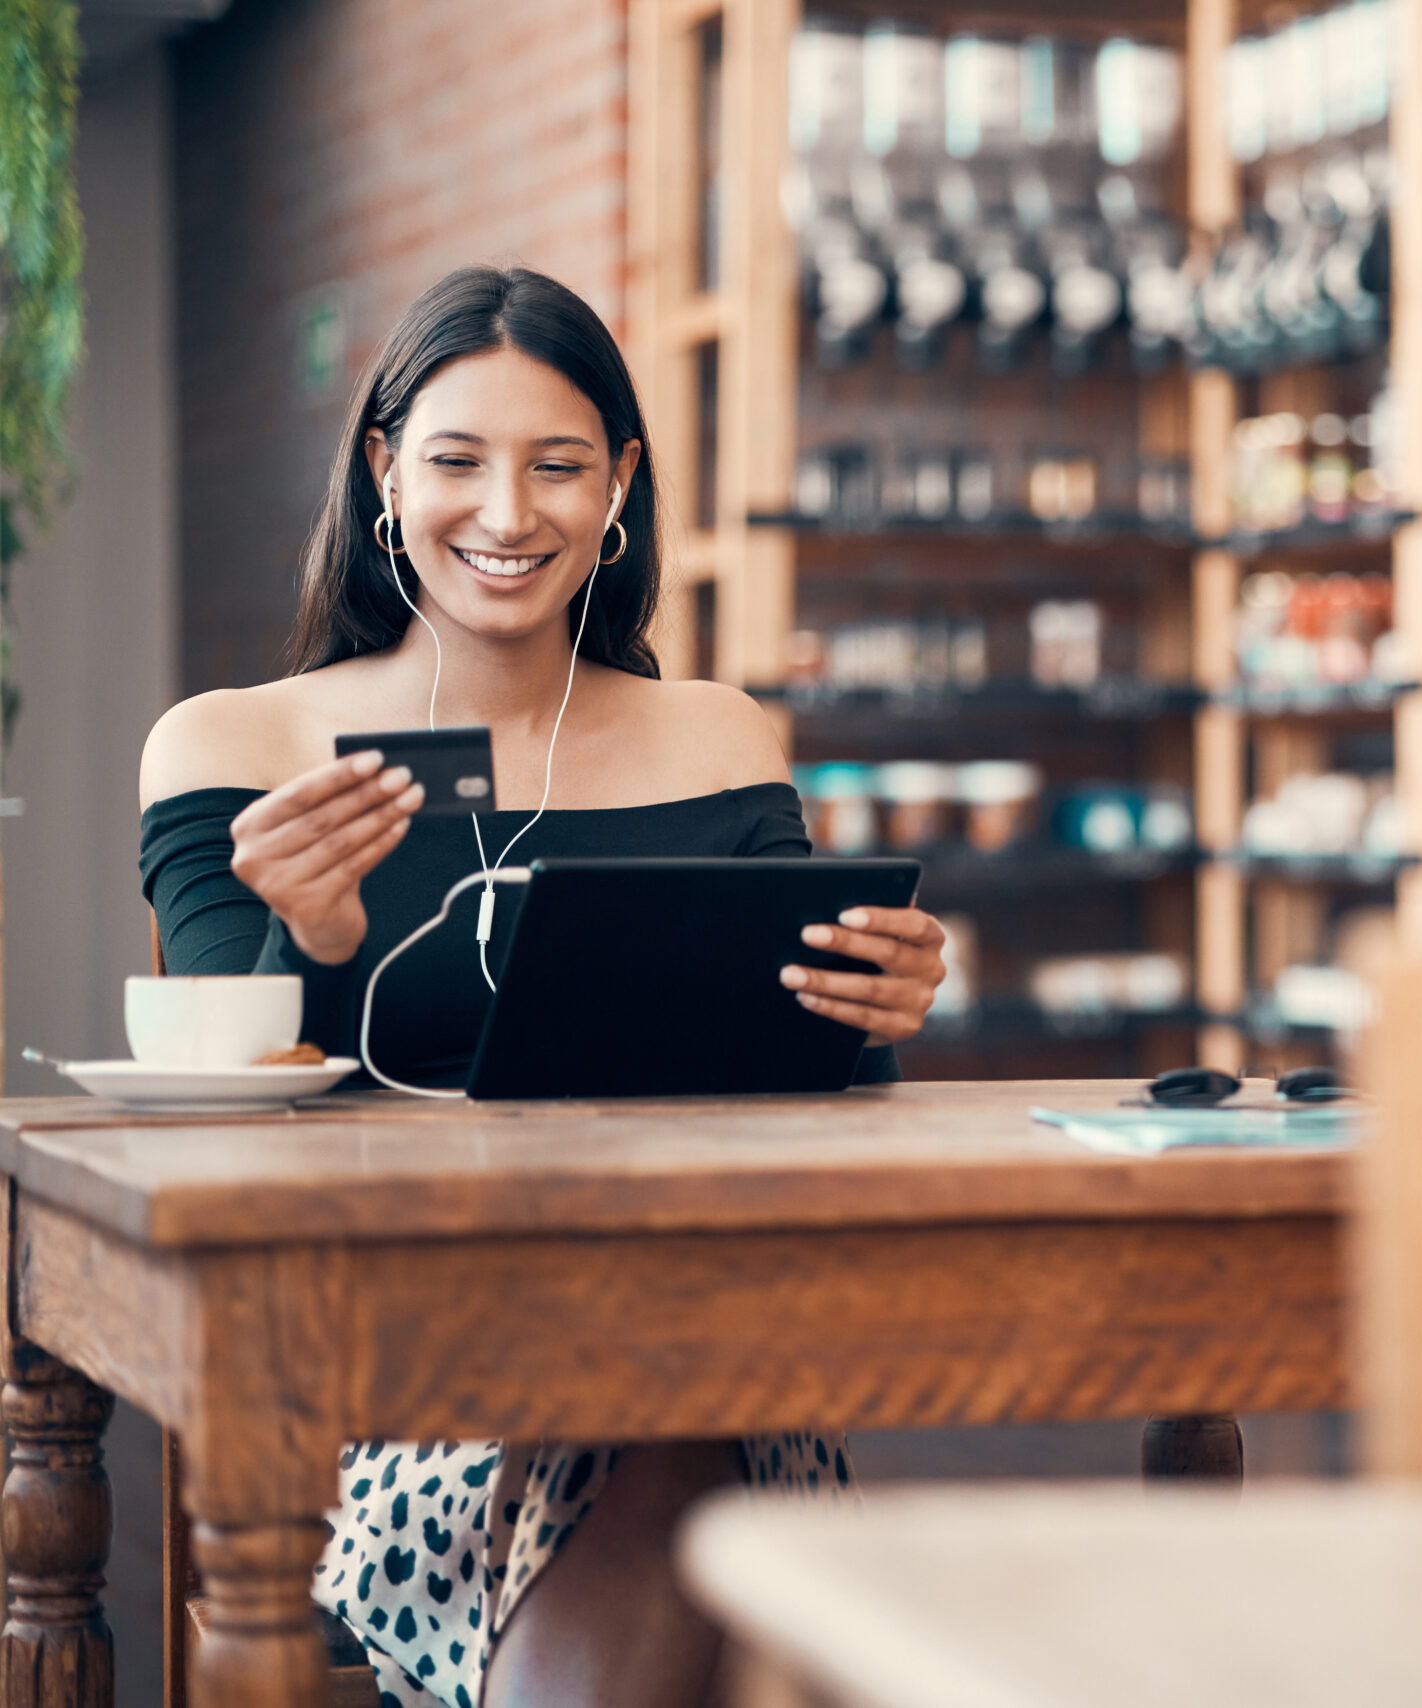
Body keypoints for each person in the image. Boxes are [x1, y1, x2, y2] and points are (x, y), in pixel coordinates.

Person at [137, 264, 950, 1708]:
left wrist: (873, 1005)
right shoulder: (235, 745)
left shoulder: (716, 736)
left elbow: (817, 1091)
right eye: (457, 460)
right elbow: (215, 1140)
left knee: (677, 1400)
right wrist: (309, 939)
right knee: (692, 1481)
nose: (507, 516)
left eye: (559, 465)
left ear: (619, 483)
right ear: (385, 470)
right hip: (393, 1384)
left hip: (707, 1336)